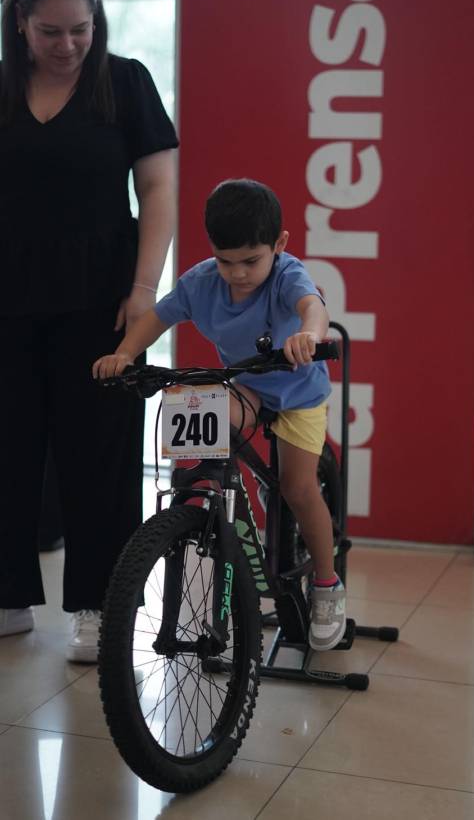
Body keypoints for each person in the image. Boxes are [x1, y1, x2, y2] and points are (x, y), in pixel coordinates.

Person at [0, 0, 178, 662]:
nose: (68, 44)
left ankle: (97, 609)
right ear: (21, 23)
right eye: (52, 31)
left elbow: (159, 188)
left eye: (80, 28)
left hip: (102, 299)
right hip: (8, 297)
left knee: (97, 453)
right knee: (8, 447)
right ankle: (9, 597)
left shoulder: (124, 83)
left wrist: (143, 291)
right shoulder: (3, 90)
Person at [93, 178, 347, 652]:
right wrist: (125, 352)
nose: (238, 274)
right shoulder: (202, 281)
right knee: (201, 411)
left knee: (297, 487)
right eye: (225, 260)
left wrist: (308, 337)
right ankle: (210, 506)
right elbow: (157, 317)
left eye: (251, 261)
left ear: (280, 245)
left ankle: (328, 585)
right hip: (248, 384)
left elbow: (312, 307)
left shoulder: (286, 274)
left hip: (297, 392)